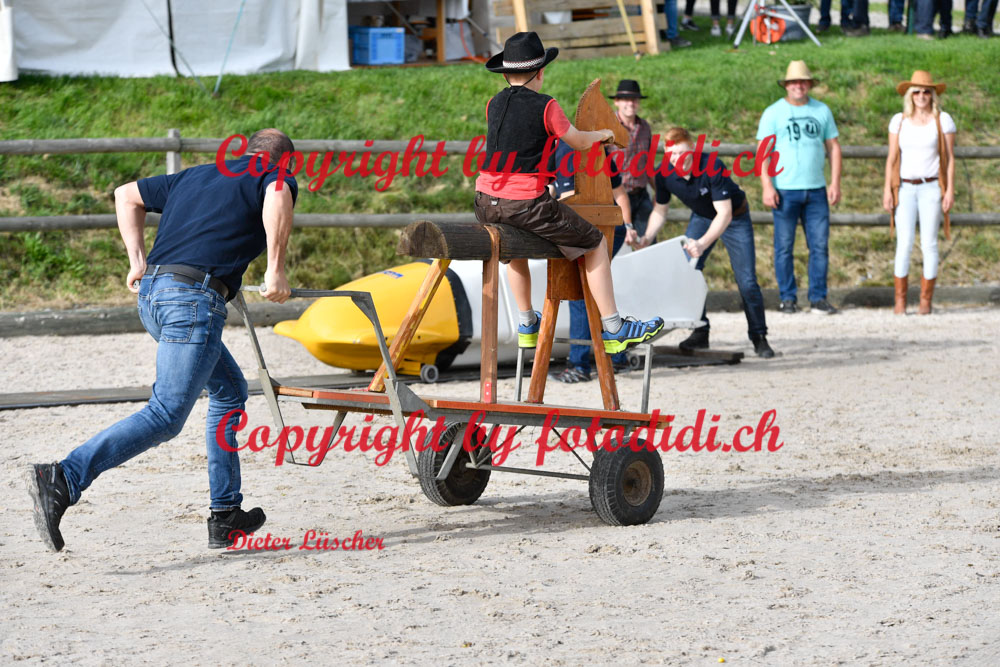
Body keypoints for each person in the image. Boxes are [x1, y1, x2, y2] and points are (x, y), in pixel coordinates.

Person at [25, 129, 298, 552]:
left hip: (153, 296)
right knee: (167, 414)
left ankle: (226, 514)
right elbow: (278, 194)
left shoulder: (197, 175)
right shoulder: (274, 176)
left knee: (229, 391)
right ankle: (64, 477)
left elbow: (126, 194)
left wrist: (137, 261)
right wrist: (275, 269)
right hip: (191, 301)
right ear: (285, 162)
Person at [474, 32, 664, 360]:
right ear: (541, 72)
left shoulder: (493, 104)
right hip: (524, 204)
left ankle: (526, 323)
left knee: (514, 251)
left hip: (484, 202)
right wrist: (603, 134)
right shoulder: (546, 105)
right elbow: (576, 141)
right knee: (595, 243)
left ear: (505, 74)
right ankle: (615, 328)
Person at [638, 127, 775, 359]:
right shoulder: (663, 173)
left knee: (747, 281)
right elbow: (660, 211)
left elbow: (725, 214)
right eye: (671, 154)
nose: (676, 159)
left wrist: (701, 244)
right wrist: (647, 237)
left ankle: (759, 337)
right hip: (702, 217)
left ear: (692, 149)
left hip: (734, 217)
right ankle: (700, 331)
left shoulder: (712, 165)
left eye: (681, 153)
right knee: (688, 270)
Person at [757, 61, 842, 315]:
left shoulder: (821, 110)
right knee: (784, 247)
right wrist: (767, 185)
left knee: (819, 246)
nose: (798, 86)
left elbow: (833, 147)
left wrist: (835, 182)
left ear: (809, 84)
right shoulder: (773, 113)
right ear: (786, 85)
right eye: (794, 82)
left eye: (803, 81)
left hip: (816, 189)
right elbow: (763, 152)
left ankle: (818, 298)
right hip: (785, 189)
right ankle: (787, 298)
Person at [547, 140, 632, 383]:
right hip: (607, 224)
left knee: (580, 295)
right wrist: (627, 224)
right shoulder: (592, 145)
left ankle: (579, 365)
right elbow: (619, 193)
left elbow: (567, 199)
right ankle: (617, 357)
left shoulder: (566, 148)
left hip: (595, 225)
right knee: (594, 293)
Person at [881, 71, 955, 315]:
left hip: (931, 186)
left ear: (932, 95)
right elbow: (892, 157)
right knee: (903, 243)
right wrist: (887, 189)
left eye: (926, 92)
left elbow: (949, 158)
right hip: (904, 187)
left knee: (929, 243)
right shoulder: (899, 121)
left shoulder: (942, 121)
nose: (921, 96)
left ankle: (925, 300)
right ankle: (900, 300)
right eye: (917, 92)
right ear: (910, 95)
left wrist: (949, 190)